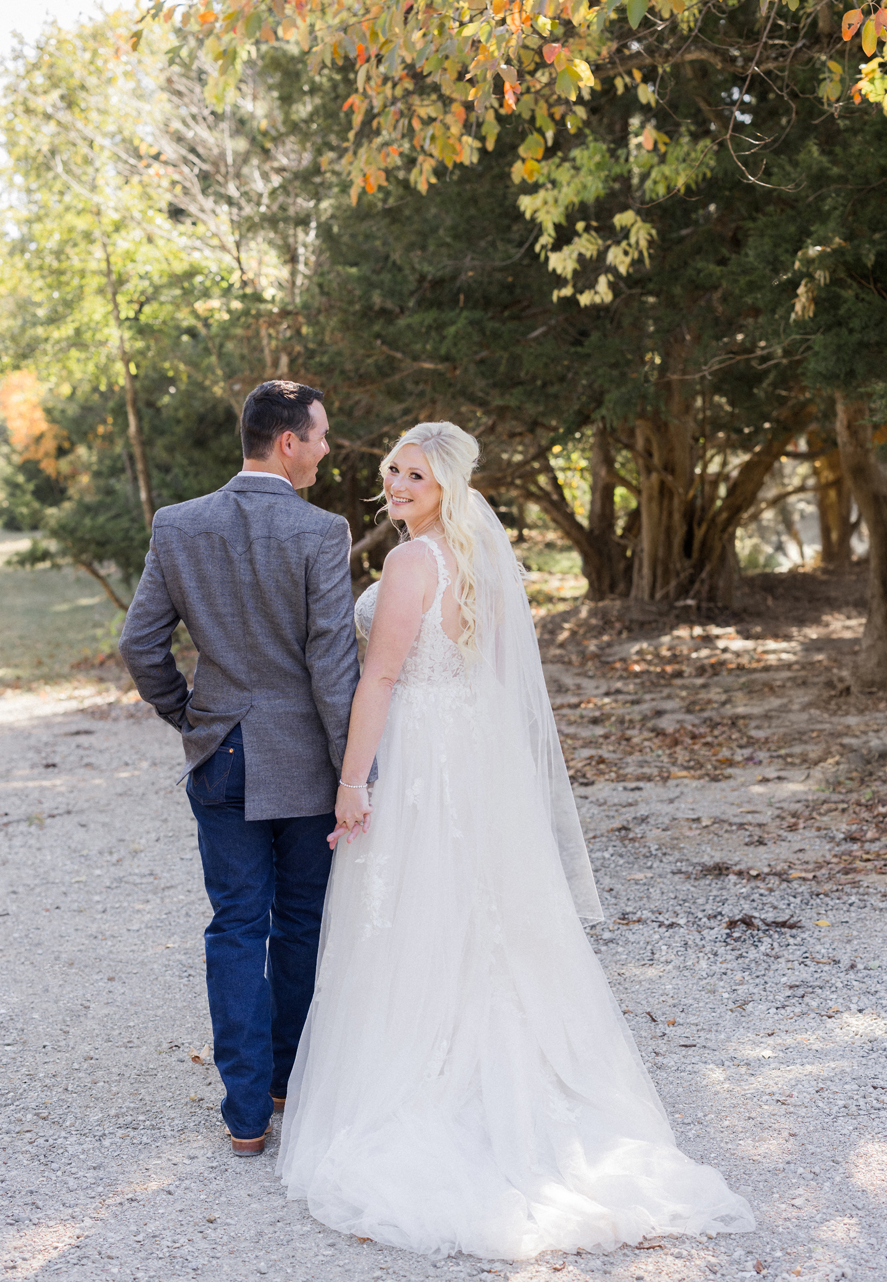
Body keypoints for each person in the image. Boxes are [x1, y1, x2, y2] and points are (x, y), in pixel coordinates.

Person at [275, 421, 755, 1260]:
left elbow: (382, 677)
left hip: (423, 759)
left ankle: (432, 1085)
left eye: (415, 477)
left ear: (447, 488)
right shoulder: (486, 565)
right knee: (480, 916)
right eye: (392, 470)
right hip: (472, 756)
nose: (395, 485)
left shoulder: (410, 563)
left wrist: (353, 785)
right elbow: (492, 678)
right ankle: (515, 1082)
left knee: (419, 914)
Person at [119, 380, 365, 1157]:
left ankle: (246, 1115)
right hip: (303, 761)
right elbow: (332, 664)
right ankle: (288, 1081)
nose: (327, 448)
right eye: (321, 435)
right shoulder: (322, 532)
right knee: (299, 924)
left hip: (221, 749)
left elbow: (139, 645)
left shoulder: (179, 524)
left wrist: (188, 715)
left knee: (234, 924)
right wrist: (352, 768)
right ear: (287, 441)